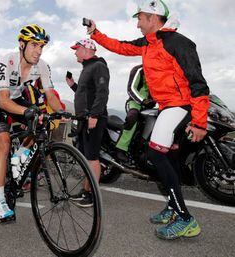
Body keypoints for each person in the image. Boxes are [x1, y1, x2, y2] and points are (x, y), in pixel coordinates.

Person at [86, 0, 209, 239]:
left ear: (153, 18)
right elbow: (120, 47)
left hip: (180, 106)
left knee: (156, 155)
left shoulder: (178, 43)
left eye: (140, 19)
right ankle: (174, 207)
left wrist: (200, 122)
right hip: (167, 107)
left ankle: (185, 219)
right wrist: (95, 34)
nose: (138, 25)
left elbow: (198, 83)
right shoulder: (148, 44)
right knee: (170, 157)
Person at [0, 24, 64, 221]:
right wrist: (28, 111)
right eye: (34, 45)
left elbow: (50, 96)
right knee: (3, 142)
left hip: (17, 98)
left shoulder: (43, 66)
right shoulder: (8, 60)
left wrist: (63, 113)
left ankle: (18, 159)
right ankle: (0, 202)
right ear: (21, 44)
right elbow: (4, 100)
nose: (38, 51)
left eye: (42, 46)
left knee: (39, 125)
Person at [65, 39, 109, 208]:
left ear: (86, 50)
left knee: (92, 157)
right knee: (86, 157)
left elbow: (102, 92)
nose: (75, 52)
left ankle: (92, 196)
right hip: (86, 118)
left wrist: (95, 115)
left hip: (93, 118)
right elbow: (86, 94)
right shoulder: (88, 68)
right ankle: (85, 191)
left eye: (77, 49)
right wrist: (73, 85)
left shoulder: (98, 66)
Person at [115, 64, 154, 163]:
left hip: (151, 107)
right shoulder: (139, 70)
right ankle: (121, 148)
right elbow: (131, 88)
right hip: (134, 103)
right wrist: (143, 100)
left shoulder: (160, 71)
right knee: (133, 117)